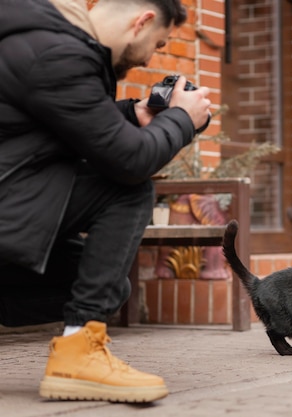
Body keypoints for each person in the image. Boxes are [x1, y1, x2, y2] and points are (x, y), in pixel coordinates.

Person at [0, 0, 212, 402]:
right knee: (126, 188)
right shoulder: (58, 53)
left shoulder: (42, 42)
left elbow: (43, 131)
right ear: (142, 22)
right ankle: (78, 356)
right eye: (159, 43)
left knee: (107, 287)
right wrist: (181, 119)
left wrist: (132, 116)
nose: (152, 55)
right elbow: (130, 163)